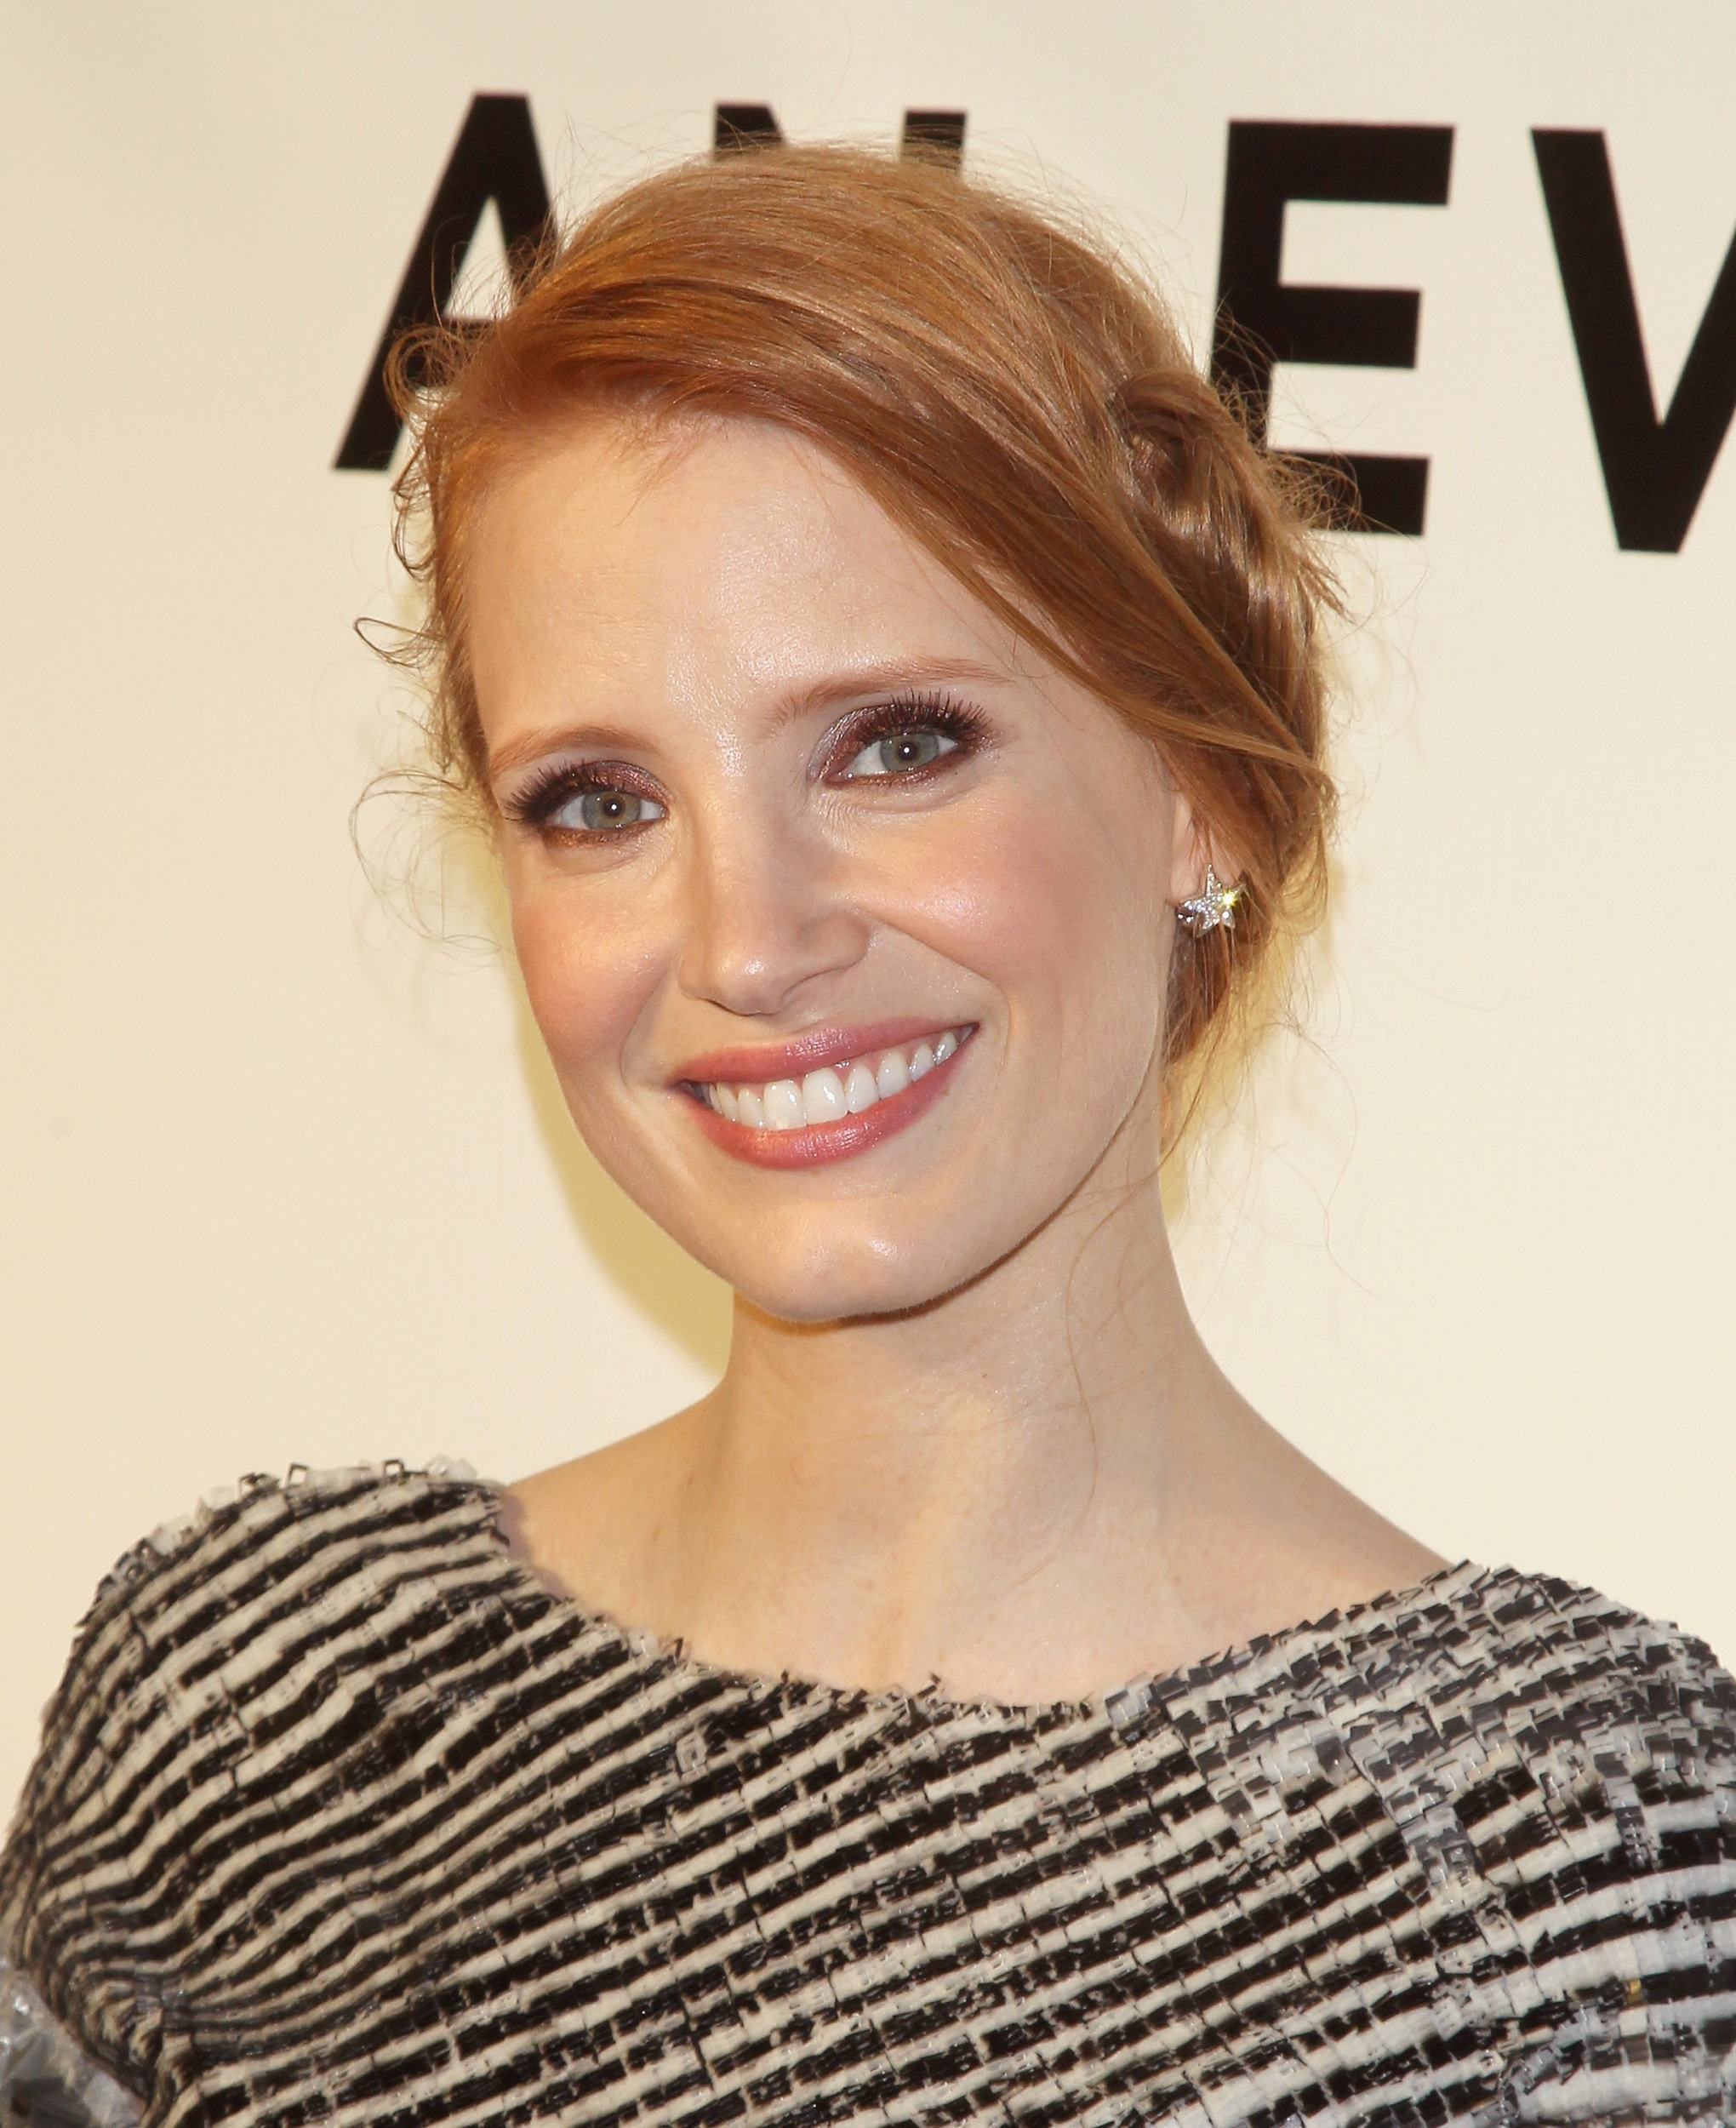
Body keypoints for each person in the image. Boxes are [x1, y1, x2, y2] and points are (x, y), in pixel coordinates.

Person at [3, 140, 1732, 2127]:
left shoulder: (1578, 1865)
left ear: (1200, 789)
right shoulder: (255, 1714)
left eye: (897, 745)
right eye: (599, 800)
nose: (748, 941)